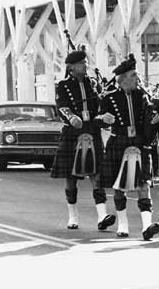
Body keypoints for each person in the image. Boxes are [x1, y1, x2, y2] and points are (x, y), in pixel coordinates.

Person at [50, 47, 116, 231]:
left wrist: (103, 118)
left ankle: (102, 216)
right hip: (73, 132)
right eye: (81, 63)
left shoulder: (93, 84)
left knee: (97, 175)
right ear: (71, 67)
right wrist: (71, 117)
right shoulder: (63, 85)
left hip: (92, 130)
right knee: (71, 177)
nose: (85, 65)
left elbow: (102, 105)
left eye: (85, 63)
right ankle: (73, 216)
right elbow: (61, 105)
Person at [98, 54, 159, 240]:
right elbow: (99, 120)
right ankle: (123, 224)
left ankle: (146, 225)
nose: (138, 78)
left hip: (139, 143)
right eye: (134, 75)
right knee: (119, 186)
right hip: (119, 142)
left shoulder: (143, 96)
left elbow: (150, 121)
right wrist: (103, 119)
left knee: (143, 184)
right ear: (123, 78)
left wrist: (157, 116)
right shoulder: (109, 99)